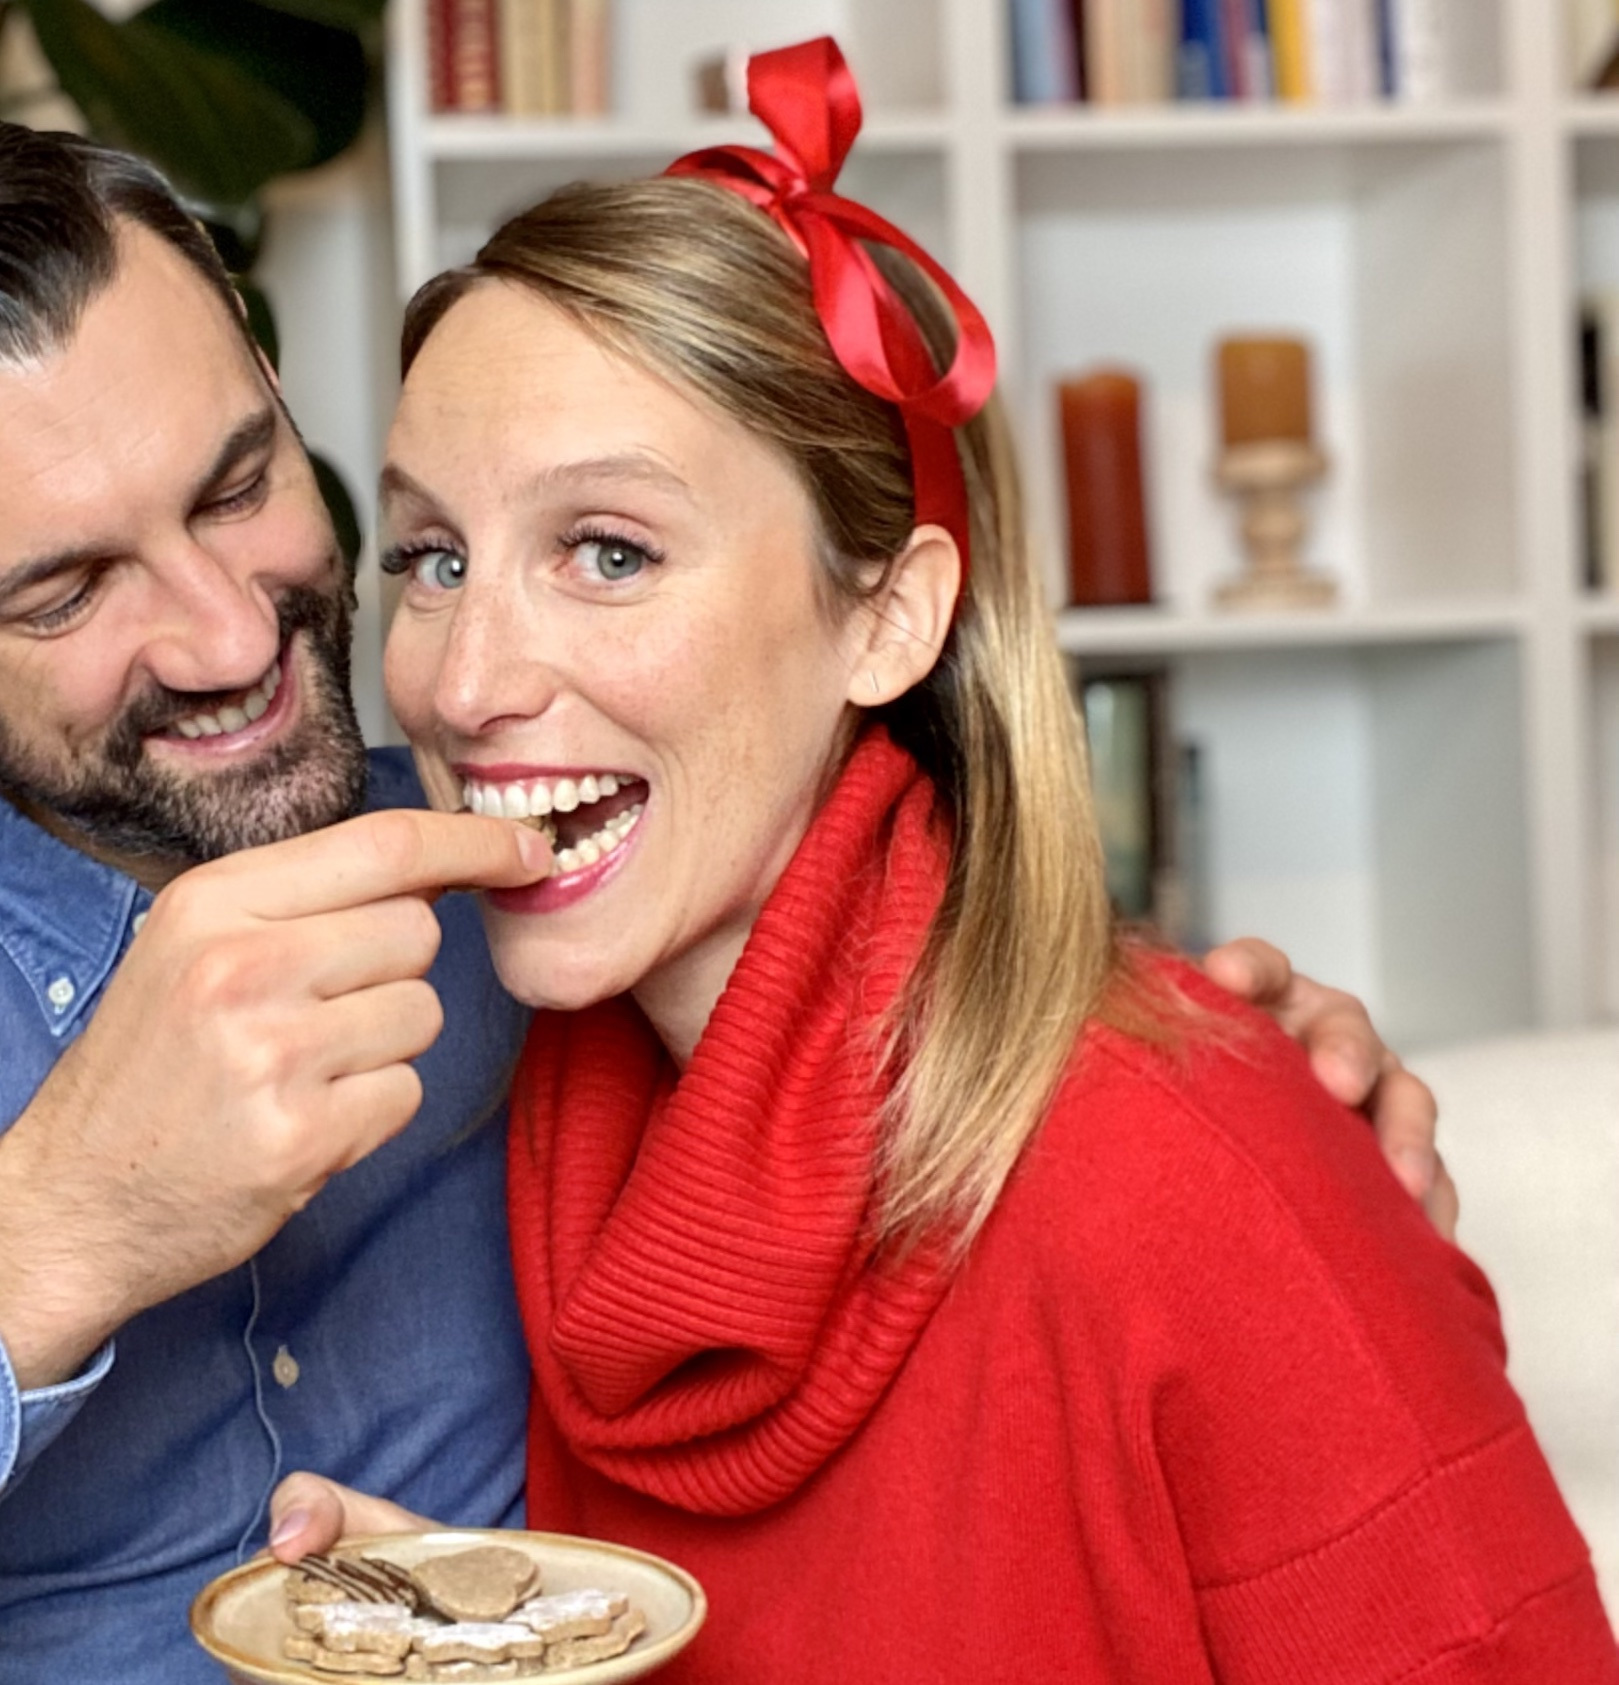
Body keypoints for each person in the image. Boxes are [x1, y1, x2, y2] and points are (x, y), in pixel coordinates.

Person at [0, 113, 1446, 1683]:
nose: (233, 634)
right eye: (62, 586)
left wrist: (1230, 1055)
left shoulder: (552, 872)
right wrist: (28, 1248)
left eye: (243, 483)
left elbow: (904, 970)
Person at [270, 39, 1617, 1682]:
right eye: (431, 555)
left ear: (890, 616)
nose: (461, 681)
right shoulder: (543, 1130)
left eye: (608, 551)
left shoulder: (1188, 1174)